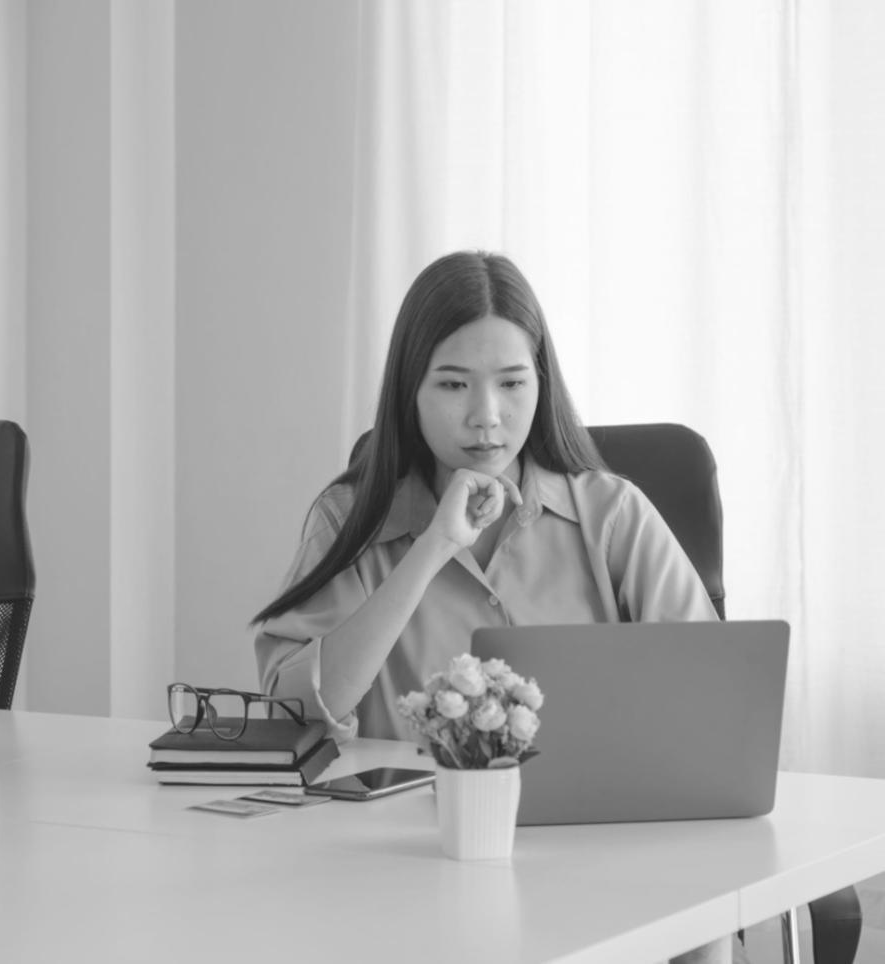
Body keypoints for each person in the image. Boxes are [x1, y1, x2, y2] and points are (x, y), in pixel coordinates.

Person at [252, 250, 736, 964]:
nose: (486, 418)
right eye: (452, 384)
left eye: (511, 384)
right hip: (403, 876)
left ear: (541, 384)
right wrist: (433, 547)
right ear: (409, 393)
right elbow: (295, 716)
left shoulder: (611, 515)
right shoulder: (349, 518)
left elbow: (715, 701)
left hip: (597, 862)